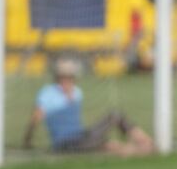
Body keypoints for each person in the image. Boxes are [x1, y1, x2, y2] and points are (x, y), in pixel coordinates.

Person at [23, 58, 155, 156]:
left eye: (70, 77)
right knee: (111, 143)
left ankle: (145, 142)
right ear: (58, 77)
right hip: (66, 143)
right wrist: (28, 139)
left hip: (81, 137)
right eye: (64, 77)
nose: (67, 80)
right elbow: (36, 117)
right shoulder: (48, 93)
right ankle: (146, 149)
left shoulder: (76, 92)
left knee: (114, 121)